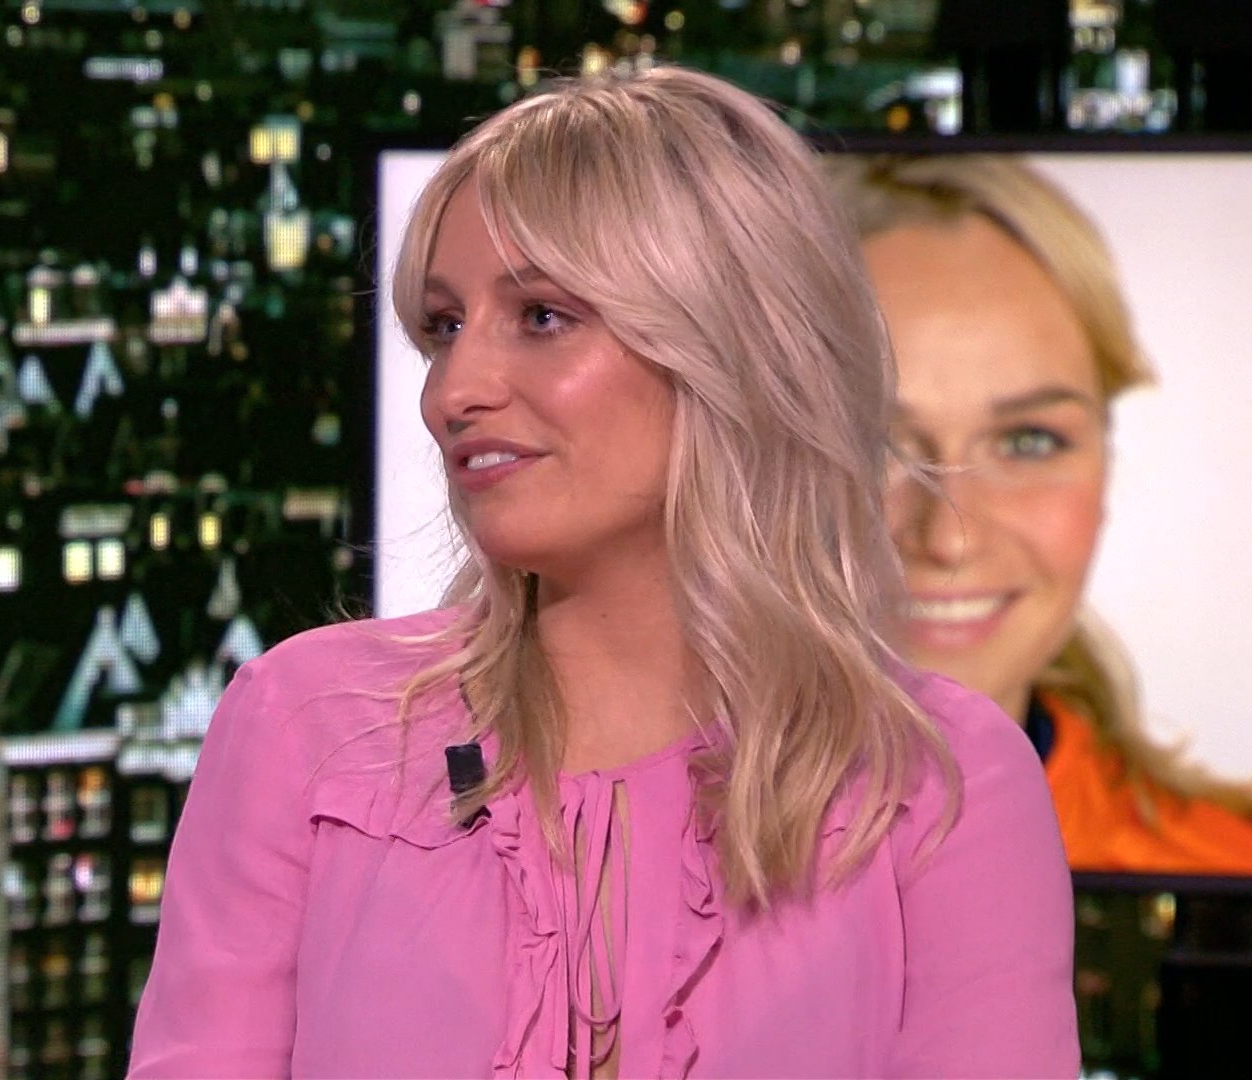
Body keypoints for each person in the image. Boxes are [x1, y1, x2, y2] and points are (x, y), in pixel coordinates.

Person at [129, 68, 1077, 1079]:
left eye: (542, 316)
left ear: (731, 346)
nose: (453, 392)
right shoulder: (305, 731)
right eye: (444, 327)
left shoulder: (938, 790)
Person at [827, 154, 1252, 876]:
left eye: (1027, 441)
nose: (949, 538)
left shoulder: (1223, 879)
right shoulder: (622, 860)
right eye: (870, 443)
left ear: (1104, 462)